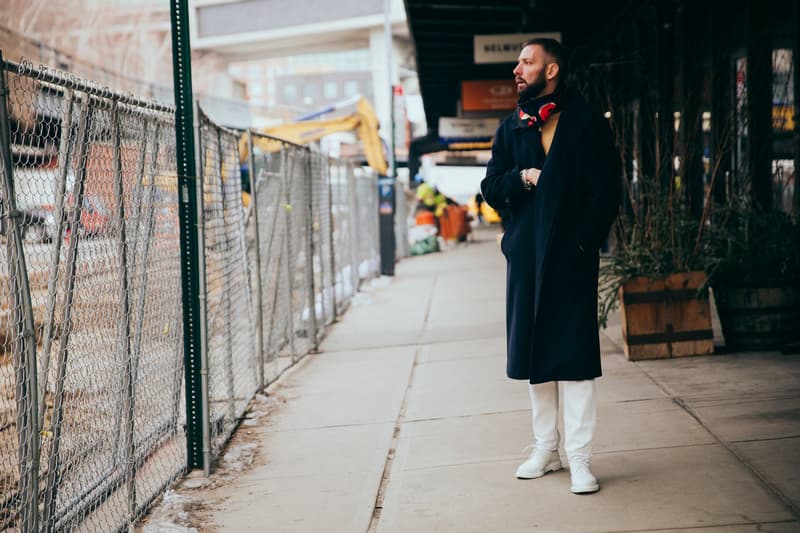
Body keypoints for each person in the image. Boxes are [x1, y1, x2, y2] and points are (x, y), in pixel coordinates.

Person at [480, 37, 621, 494]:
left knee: (575, 358)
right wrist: (521, 179)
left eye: (527, 62)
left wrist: (583, 243)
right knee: (534, 356)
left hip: (571, 258)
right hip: (525, 259)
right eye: (518, 62)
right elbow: (490, 185)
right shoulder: (512, 127)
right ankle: (546, 449)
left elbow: (606, 193)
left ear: (552, 69)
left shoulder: (586, 124)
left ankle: (580, 459)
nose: (517, 69)